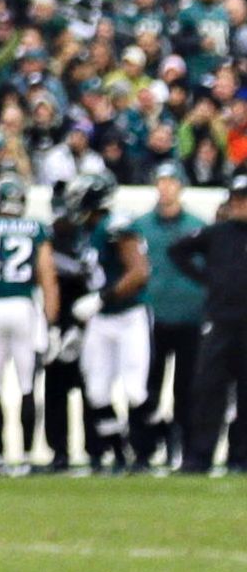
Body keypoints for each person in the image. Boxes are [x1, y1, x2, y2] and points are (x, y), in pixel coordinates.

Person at [53, 177, 148, 472]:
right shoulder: (87, 230)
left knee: (134, 390)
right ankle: (119, 454)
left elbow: (138, 273)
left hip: (129, 316)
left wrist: (102, 299)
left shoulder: (116, 224)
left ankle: (148, 450)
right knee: (96, 391)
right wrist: (77, 327)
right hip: (100, 320)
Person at [134, 167, 211, 469]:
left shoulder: (197, 226)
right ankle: (145, 448)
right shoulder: (141, 226)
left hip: (190, 318)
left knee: (187, 388)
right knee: (146, 386)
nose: (166, 188)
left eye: (172, 182)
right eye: (161, 182)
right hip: (151, 317)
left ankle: (185, 450)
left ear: (181, 187)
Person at [170, 183, 247, 475]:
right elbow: (177, 250)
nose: (240, 205)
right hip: (220, 321)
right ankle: (200, 455)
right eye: (237, 199)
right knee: (208, 390)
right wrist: (206, 278)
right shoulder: (218, 233)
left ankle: (241, 456)